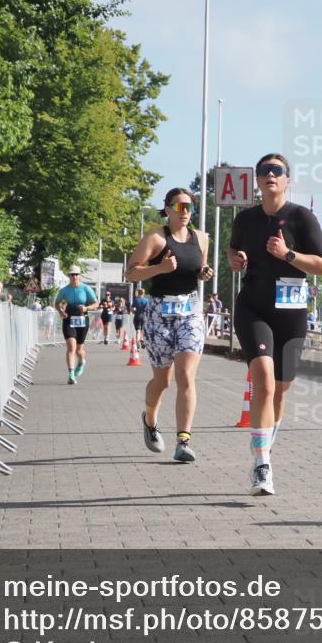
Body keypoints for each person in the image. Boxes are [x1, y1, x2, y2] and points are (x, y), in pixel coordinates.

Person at [229, 153, 322, 495]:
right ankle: (262, 465)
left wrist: (288, 254)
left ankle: (264, 441)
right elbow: (232, 251)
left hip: (291, 312)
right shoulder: (245, 219)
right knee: (264, 383)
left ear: (287, 179)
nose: (270, 175)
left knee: (281, 389)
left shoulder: (302, 217)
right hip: (253, 308)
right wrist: (236, 259)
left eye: (277, 170)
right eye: (264, 171)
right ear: (257, 180)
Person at [126, 188, 214, 463]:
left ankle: (183, 441)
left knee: (186, 376)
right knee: (162, 381)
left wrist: (204, 273)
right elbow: (130, 272)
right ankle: (150, 420)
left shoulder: (201, 238)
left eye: (189, 206)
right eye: (179, 206)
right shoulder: (156, 238)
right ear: (167, 209)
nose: (185, 211)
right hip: (159, 313)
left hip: (190, 312)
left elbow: (200, 267)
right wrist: (159, 269)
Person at [54, 266, 99, 384]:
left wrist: (86, 308)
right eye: (72, 275)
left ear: (80, 276)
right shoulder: (64, 290)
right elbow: (57, 303)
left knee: (79, 350)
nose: (74, 277)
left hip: (82, 320)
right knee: (71, 348)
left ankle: (81, 362)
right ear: (69, 276)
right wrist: (61, 312)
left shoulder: (86, 288)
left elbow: (96, 303)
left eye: (76, 274)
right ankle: (71, 374)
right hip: (69, 319)